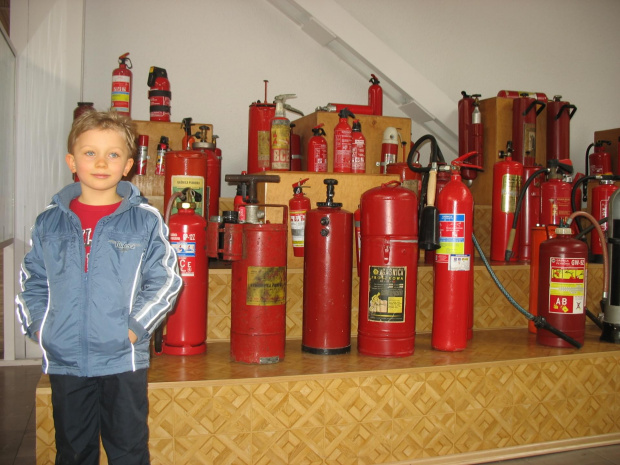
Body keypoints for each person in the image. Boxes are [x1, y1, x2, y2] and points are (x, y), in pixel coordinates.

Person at [15, 110, 183, 464]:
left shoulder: (144, 221)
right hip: (66, 362)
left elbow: (166, 279)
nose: (101, 162)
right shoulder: (49, 221)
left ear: (128, 165)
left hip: (123, 360)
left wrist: (135, 330)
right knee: (74, 452)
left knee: (129, 451)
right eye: (90, 152)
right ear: (71, 160)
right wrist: (42, 329)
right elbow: (33, 280)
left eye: (113, 154)